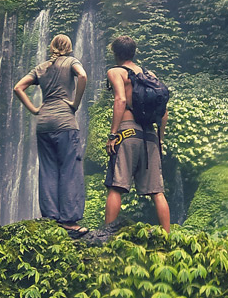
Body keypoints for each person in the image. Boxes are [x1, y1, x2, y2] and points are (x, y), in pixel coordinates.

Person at [14, 34, 88, 234]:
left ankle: (50, 218)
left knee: (48, 170)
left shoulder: (41, 68)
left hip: (44, 124)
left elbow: (18, 87)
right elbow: (82, 76)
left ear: (51, 47)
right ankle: (70, 221)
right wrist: (75, 103)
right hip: (65, 123)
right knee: (69, 170)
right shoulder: (71, 62)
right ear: (69, 48)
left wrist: (35, 110)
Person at [104, 35, 170, 233]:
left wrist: (113, 134)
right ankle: (168, 237)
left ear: (115, 53)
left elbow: (120, 100)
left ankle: (106, 236)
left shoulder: (116, 72)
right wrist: (160, 139)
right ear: (134, 52)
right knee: (157, 192)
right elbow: (164, 110)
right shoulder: (150, 76)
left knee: (116, 187)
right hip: (150, 135)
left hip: (128, 133)